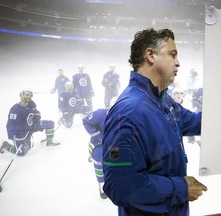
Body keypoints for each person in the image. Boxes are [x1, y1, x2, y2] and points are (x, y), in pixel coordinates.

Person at [102, 28, 207, 216]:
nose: (178, 63)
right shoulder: (128, 112)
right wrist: (180, 189)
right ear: (150, 55)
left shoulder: (164, 101)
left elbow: (195, 122)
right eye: (172, 55)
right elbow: (120, 186)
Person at [0, 90, 60, 156]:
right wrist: (14, 135)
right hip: (20, 132)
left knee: (50, 124)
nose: (29, 97)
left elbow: (35, 112)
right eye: (26, 95)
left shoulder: (31, 104)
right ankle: (6, 146)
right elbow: (11, 124)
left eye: (30, 95)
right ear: (21, 96)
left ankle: (49, 141)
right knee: (22, 152)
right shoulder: (15, 109)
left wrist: (37, 115)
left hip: (31, 126)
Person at [83, 108, 109, 199]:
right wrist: (96, 134)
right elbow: (85, 120)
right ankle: (101, 182)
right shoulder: (101, 113)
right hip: (98, 142)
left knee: (115, 159)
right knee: (99, 155)